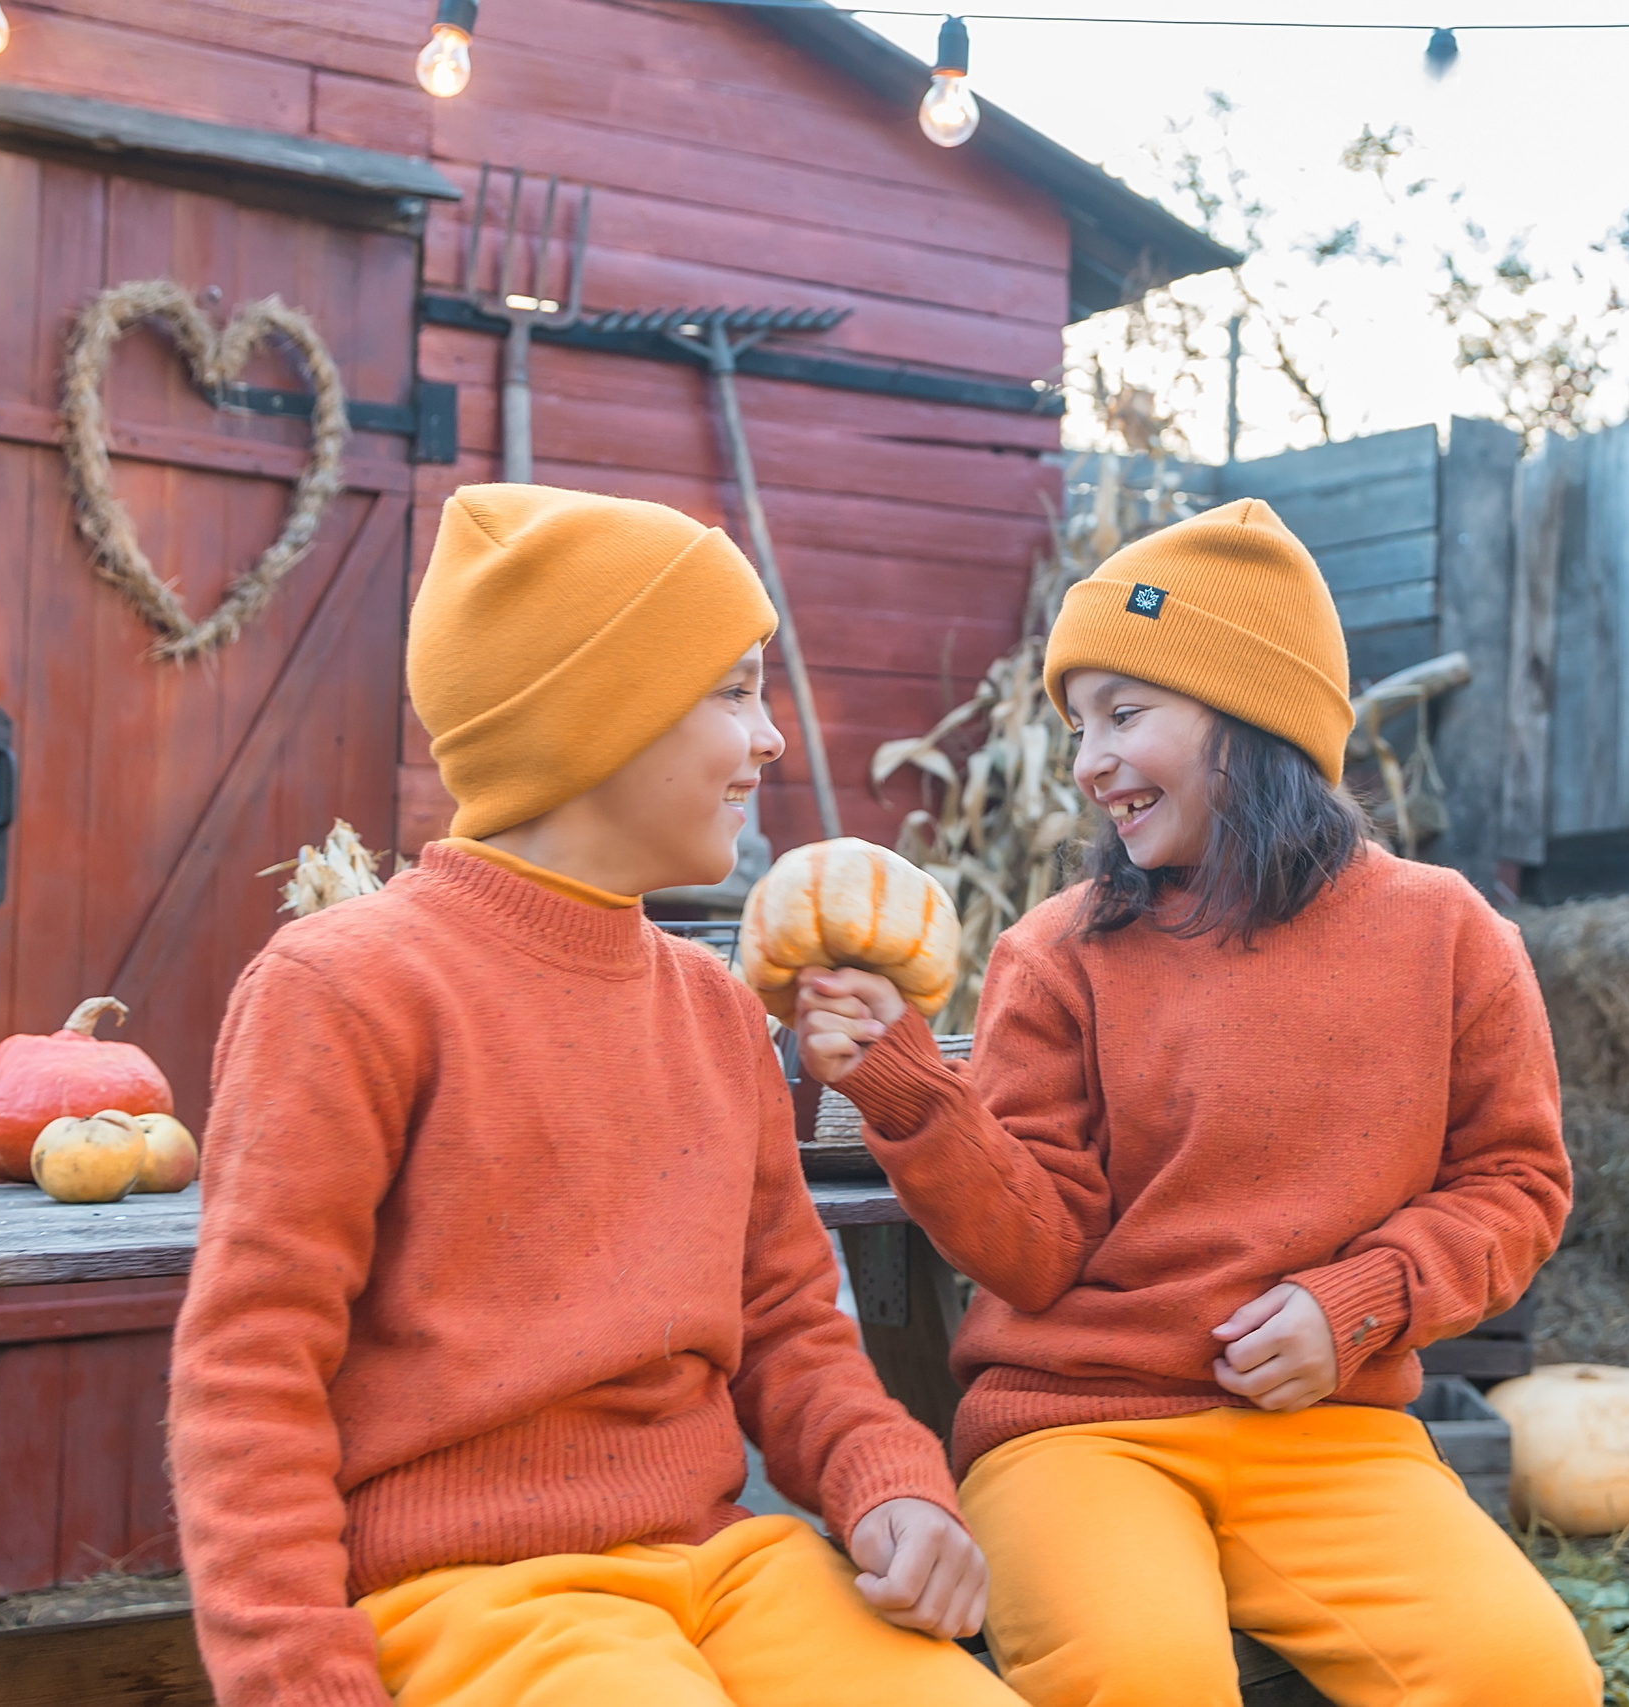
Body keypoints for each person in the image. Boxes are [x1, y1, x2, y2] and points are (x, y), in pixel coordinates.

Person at [169, 486, 1015, 1707]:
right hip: (469, 1590)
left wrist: (887, 1483)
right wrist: (296, 1680)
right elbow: (251, 1378)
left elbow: (786, 1320)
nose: (770, 739)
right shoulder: (345, 988)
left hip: (725, 1566)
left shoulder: (716, 1006)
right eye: (733, 692)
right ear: (596, 715)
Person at [794, 499, 1601, 1707]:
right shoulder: (1055, 952)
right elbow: (1031, 1249)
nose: (1087, 763)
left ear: (1255, 714)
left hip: (1335, 1432)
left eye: (1124, 714)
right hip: (1075, 1432)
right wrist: (907, 1088)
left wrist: (1359, 1303)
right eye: (1078, 727)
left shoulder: (1448, 934)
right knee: (1143, 1676)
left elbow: (1515, 1183)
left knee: (1524, 1678)